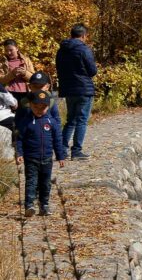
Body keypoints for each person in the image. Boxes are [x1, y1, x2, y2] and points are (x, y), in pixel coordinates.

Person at [15, 90, 66, 217]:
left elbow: (58, 140)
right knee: (31, 182)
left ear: (48, 107)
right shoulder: (26, 122)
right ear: (30, 105)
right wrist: (19, 153)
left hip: (47, 159)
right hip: (31, 158)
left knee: (45, 183)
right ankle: (29, 205)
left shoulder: (51, 122)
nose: (39, 110)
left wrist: (60, 156)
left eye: (42, 107)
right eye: (36, 107)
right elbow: (19, 138)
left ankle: (44, 205)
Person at [55, 24, 96, 161]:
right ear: (84, 35)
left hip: (68, 89)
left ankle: (62, 150)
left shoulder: (61, 51)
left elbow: (59, 70)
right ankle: (77, 151)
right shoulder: (84, 49)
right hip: (84, 88)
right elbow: (92, 71)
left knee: (70, 120)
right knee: (82, 120)